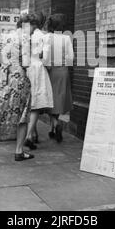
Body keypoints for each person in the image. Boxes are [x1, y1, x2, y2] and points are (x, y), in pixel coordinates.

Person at [0, 15, 36, 166]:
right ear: (28, 25)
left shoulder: (4, 35)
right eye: (33, 27)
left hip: (3, 78)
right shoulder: (25, 38)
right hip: (18, 79)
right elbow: (26, 63)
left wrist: (6, 66)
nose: (33, 31)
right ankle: (19, 151)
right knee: (23, 116)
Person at [24, 12, 54, 150]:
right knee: (37, 103)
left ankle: (33, 133)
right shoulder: (44, 36)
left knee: (29, 102)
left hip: (27, 68)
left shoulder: (24, 35)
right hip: (38, 68)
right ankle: (29, 136)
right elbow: (46, 58)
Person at [45, 14, 74, 143]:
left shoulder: (47, 38)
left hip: (50, 70)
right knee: (59, 99)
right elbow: (71, 58)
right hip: (63, 71)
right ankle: (52, 128)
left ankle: (55, 124)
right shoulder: (66, 38)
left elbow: (43, 56)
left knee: (49, 100)